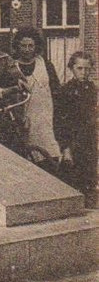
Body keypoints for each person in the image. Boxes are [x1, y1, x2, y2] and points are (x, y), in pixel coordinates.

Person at [12, 26, 62, 169]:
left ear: (36, 46)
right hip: (25, 122)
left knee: (50, 159)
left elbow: (56, 92)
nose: (27, 49)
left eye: (30, 46)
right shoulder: (12, 67)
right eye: (23, 46)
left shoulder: (45, 65)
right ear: (17, 46)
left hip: (46, 120)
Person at [56, 51, 97, 207]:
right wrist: (65, 148)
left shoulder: (92, 89)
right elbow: (60, 123)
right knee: (74, 181)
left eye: (87, 69)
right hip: (73, 143)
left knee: (90, 180)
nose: (84, 72)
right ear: (71, 69)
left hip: (90, 142)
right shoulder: (65, 91)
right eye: (79, 68)